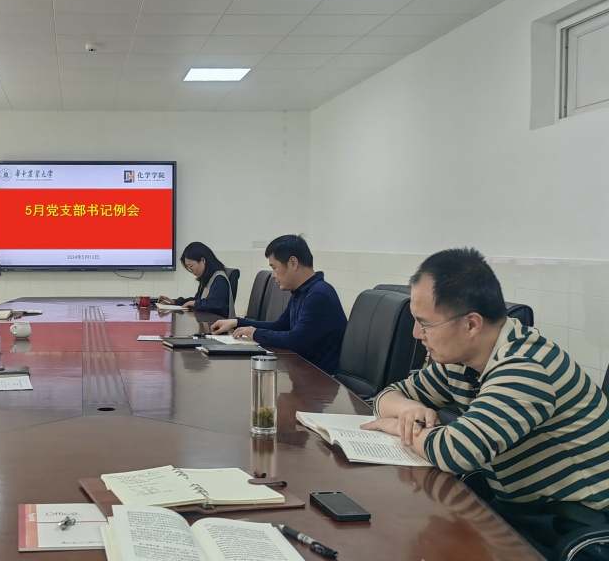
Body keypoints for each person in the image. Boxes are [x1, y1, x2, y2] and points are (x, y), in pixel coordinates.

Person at [362, 248, 609, 559]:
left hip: (573, 527)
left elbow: (456, 451)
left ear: (471, 324)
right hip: (521, 508)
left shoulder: (525, 367)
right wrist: (407, 409)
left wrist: (397, 427)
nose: (416, 334)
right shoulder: (461, 359)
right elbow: (387, 395)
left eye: (425, 324)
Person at [210, 234, 347, 374]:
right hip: (302, 370)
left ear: (293, 263)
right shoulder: (302, 292)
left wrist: (255, 333)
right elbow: (280, 326)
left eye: (274, 268)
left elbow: (296, 340)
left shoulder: (319, 295)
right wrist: (237, 323)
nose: (273, 275)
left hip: (322, 378)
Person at [158, 242, 233, 318]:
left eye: (191, 266)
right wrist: (174, 302)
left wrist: (194, 303)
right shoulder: (207, 278)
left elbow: (214, 305)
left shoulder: (219, 278)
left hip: (218, 323)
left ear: (202, 261)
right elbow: (197, 299)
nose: (191, 271)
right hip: (208, 321)